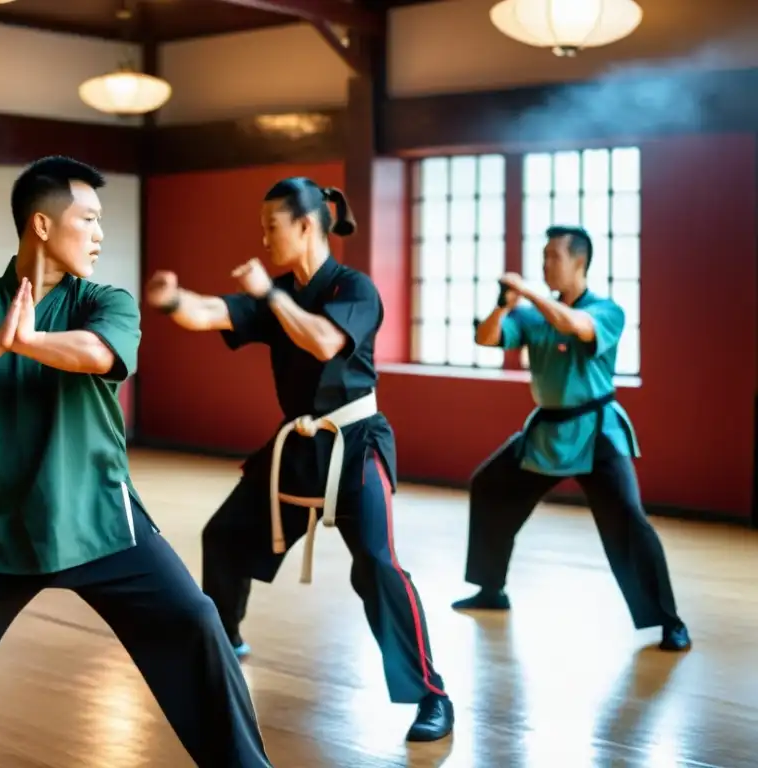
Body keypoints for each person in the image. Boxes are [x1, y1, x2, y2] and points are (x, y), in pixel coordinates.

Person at [0, 156, 271, 768]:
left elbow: (99, 354)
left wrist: (26, 341)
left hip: (102, 521)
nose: (101, 233)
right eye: (89, 218)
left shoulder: (108, 302)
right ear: (42, 226)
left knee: (195, 622)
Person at [145, 177, 454, 744]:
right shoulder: (276, 292)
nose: (263, 238)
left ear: (306, 226)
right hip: (297, 445)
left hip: (356, 442)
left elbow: (322, 343)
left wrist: (271, 296)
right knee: (225, 538)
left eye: (271, 227)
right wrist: (171, 300)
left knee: (379, 566)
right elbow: (212, 310)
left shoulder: (353, 288)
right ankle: (225, 644)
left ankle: (431, 695)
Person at [452, 224, 691, 653]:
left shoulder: (606, 310)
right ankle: (491, 589)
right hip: (546, 429)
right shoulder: (531, 316)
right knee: (490, 486)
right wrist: (502, 307)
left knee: (628, 520)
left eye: (553, 257)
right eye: (543, 256)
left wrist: (526, 293)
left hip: (596, 430)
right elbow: (485, 338)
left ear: (579, 262)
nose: (545, 264)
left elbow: (574, 324)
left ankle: (668, 621)